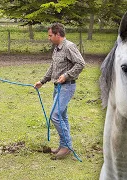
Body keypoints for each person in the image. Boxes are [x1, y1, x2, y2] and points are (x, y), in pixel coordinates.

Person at [34, 23, 85, 160]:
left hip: (67, 87)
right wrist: (42, 81)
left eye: (50, 35)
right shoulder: (56, 49)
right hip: (57, 87)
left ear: (57, 34)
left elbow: (81, 63)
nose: (48, 38)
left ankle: (67, 146)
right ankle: (63, 145)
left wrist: (67, 75)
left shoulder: (69, 47)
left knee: (55, 115)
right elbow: (53, 66)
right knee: (62, 116)